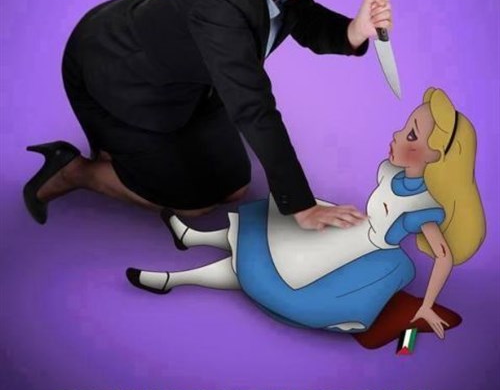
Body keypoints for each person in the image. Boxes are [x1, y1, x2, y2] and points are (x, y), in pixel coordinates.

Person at [23, 0, 392, 230]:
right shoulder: (221, 5)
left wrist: (355, 30)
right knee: (193, 206)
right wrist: (302, 206)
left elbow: (309, 21)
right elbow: (253, 107)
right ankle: (75, 171)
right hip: (119, 73)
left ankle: (128, 155)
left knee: (234, 186)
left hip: (189, 79)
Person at [126, 88, 486, 339]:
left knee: (276, 263)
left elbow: (443, 255)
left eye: (411, 136)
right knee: (272, 231)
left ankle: (174, 279)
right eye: (405, 127)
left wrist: (427, 305)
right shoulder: (393, 173)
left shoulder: (421, 207)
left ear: (435, 156)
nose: (396, 134)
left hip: (362, 250)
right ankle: (193, 237)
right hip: (353, 226)